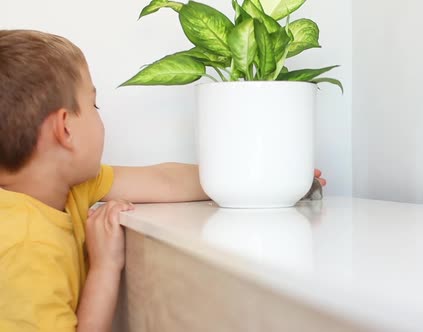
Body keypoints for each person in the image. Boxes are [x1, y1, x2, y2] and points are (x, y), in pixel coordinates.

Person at [0, 29, 326, 332]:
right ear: (65, 129)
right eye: (93, 103)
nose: (100, 115)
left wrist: (266, 178)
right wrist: (104, 267)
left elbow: (164, 180)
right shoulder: (25, 250)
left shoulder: (70, 187)